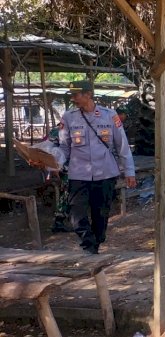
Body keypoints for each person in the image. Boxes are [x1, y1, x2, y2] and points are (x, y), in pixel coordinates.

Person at [58, 81, 136, 254]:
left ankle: (96, 243)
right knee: (76, 211)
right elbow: (64, 148)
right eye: (71, 95)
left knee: (100, 213)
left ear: (88, 94)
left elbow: (122, 145)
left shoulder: (109, 115)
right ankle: (88, 243)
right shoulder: (68, 117)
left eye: (76, 94)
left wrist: (129, 172)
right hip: (78, 174)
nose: (73, 98)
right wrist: (50, 162)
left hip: (105, 172)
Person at [46, 123, 73, 233]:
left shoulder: (57, 130)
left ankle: (64, 218)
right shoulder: (61, 131)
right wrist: (55, 167)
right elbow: (51, 151)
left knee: (67, 192)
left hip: (65, 166)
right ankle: (59, 221)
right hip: (65, 168)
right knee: (67, 192)